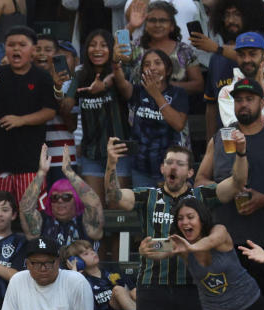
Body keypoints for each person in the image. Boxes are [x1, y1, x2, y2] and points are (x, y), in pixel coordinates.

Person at [106, 136, 248, 310]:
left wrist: (241, 153)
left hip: (192, 287)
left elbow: (237, 182)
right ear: (162, 168)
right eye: (169, 162)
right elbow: (114, 196)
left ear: (190, 172)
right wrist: (111, 164)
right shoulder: (147, 196)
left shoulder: (203, 196)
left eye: (180, 164)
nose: (173, 167)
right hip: (151, 287)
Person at [195, 77, 264, 307]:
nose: (243, 104)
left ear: (261, 103)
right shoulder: (221, 137)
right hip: (226, 247)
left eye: (249, 99)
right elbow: (200, 180)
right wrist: (222, 191)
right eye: (238, 100)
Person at [156, 197, 264, 310]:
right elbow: (158, 247)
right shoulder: (181, 243)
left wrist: (191, 247)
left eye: (190, 217)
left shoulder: (219, 230)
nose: (185, 222)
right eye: (180, 218)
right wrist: (145, 249)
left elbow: (211, 241)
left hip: (248, 305)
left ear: (202, 219)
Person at [0, 26, 56, 203]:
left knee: (31, 215)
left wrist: (21, 120)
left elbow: (50, 111)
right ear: (5, 49)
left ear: (33, 50)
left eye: (22, 44)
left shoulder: (42, 77)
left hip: (30, 161)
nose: (16, 49)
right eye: (11, 45)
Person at [0, 236, 96, 310]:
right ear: (27, 264)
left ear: (58, 262)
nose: (43, 269)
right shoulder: (17, 281)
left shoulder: (77, 282)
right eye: (36, 263)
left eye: (49, 263)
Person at [72, 29, 131, 200]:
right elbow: (67, 104)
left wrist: (105, 85)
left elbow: (124, 86)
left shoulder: (121, 73)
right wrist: (59, 87)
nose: (97, 49)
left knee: (117, 207)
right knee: (94, 210)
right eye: (92, 45)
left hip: (119, 150)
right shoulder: (80, 75)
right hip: (91, 153)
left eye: (104, 45)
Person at [199, 0, 264, 139]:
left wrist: (217, 48)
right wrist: (210, 146)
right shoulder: (216, 59)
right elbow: (212, 108)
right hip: (228, 142)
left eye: (237, 14)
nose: (231, 20)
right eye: (227, 15)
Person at [121, 47, 188, 188]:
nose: (152, 67)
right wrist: (116, 63)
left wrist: (156, 94)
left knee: (170, 208)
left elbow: (178, 124)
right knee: (145, 208)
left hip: (170, 166)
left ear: (168, 70)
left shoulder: (178, 93)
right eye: (147, 64)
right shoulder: (137, 91)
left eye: (158, 63)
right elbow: (119, 80)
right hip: (141, 166)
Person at [19, 144, 105, 249]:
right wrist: (41, 172)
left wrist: (69, 172)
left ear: (76, 200)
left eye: (66, 197)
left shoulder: (86, 223)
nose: (60, 201)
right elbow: (26, 209)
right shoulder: (42, 223)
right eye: (54, 198)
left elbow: (94, 203)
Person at [125, 1, 203, 96]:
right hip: (139, 108)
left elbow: (198, 85)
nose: (157, 25)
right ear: (145, 25)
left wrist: (165, 86)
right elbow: (116, 54)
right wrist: (131, 26)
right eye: (152, 20)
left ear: (172, 26)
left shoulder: (184, 51)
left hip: (175, 108)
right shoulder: (135, 47)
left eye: (163, 20)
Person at [33, 33, 77, 184]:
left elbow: (71, 124)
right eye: (37, 49)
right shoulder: (27, 78)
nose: (42, 54)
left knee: (64, 205)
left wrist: (56, 89)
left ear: (57, 54)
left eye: (48, 49)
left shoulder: (69, 83)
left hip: (63, 158)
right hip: (34, 158)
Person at [217, 31, 264, 127]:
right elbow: (239, 131)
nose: (246, 60)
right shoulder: (227, 93)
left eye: (252, 54)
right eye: (241, 55)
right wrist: (259, 93)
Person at [63, 239, 137, 310]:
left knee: (134, 291)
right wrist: (75, 274)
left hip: (125, 309)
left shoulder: (112, 272)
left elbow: (132, 289)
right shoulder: (83, 281)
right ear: (77, 260)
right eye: (86, 253)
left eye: (92, 250)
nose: (92, 253)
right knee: (118, 290)